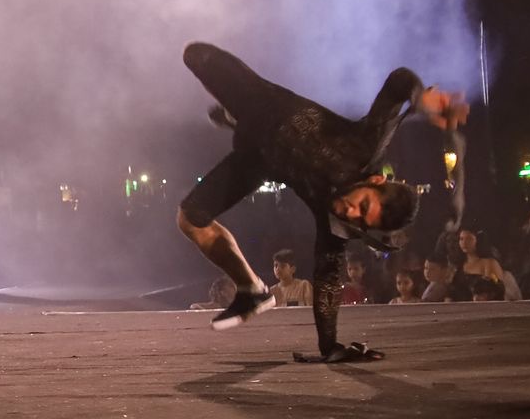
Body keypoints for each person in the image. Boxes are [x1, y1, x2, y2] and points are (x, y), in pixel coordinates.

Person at [175, 42, 466, 362]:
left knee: (190, 218)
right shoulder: (365, 146)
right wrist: (421, 98)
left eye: (360, 221)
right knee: (196, 55)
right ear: (375, 182)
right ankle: (235, 116)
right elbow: (399, 81)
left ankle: (252, 290)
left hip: (257, 160)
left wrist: (330, 347)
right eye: (362, 206)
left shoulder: (335, 225)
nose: (350, 212)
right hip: (261, 103)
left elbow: (327, 283)